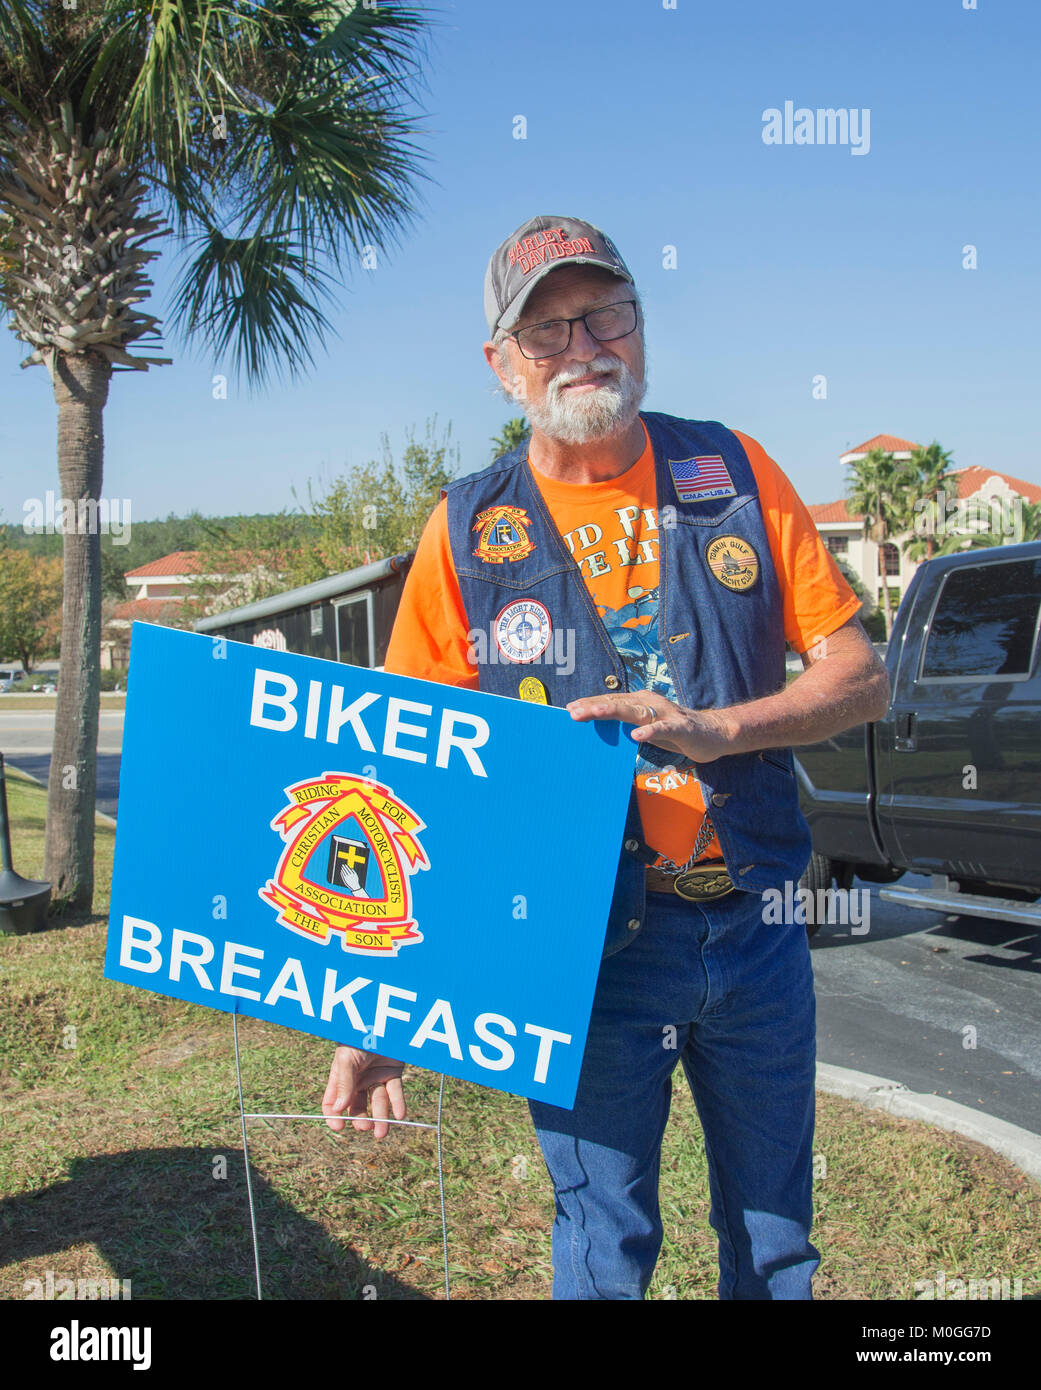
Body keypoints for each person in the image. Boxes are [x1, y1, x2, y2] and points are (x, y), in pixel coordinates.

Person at [322, 214, 891, 1300]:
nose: (584, 345)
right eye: (544, 331)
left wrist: (725, 729)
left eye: (606, 313)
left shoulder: (735, 469)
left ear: (641, 324)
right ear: (500, 368)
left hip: (759, 927)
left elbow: (861, 676)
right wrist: (375, 1013)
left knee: (777, 1248)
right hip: (586, 957)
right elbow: (405, 786)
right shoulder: (463, 527)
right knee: (602, 1251)